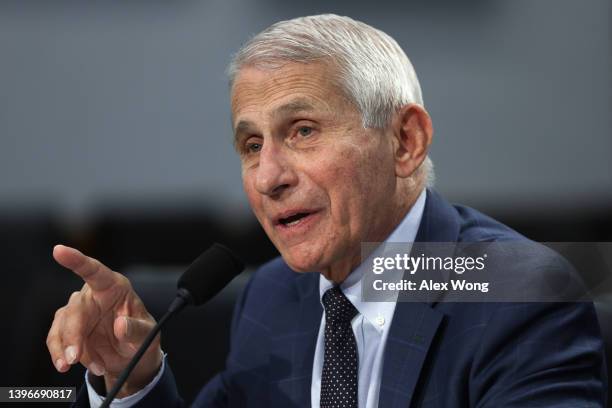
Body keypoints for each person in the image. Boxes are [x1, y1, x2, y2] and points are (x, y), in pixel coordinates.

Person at [46, 14, 607, 407]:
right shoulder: (271, 296)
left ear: (406, 142)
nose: (269, 177)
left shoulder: (519, 289)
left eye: (304, 131)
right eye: (251, 145)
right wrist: (133, 377)